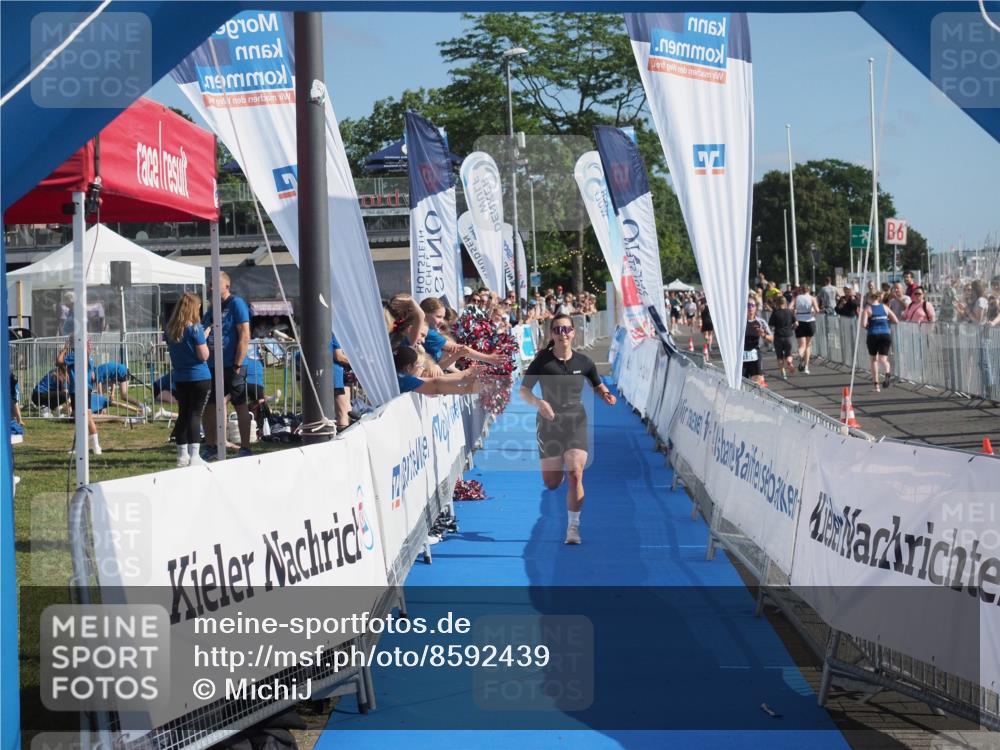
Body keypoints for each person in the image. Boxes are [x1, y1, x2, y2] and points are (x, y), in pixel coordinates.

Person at [518, 314, 617, 546]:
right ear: (552, 334)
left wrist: (605, 395)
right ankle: (558, 471)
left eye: (566, 329)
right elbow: (524, 391)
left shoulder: (584, 362)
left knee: (575, 474)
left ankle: (573, 527)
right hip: (548, 423)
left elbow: (597, 384)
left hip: (576, 422)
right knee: (552, 483)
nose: (563, 333)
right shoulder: (542, 360)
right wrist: (540, 403)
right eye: (558, 329)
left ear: (573, 333)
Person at [201, 271, 252, 460]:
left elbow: (245, 334)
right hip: (212, 365)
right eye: (209, 284)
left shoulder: (236, 304)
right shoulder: (211, 309)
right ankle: (211, 444)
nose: (210, 287)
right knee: (209, 405)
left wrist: (238, 363)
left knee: (239, 404)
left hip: (233, 364)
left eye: (214, 284)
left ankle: (245, 447)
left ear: (227, 286)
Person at [166, 292, 211, 467]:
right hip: (199, 376)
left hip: (180, 377)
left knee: (183, 414)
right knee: (195, 415)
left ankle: (182, 455)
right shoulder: (195, 328)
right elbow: (203, 355)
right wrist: (204, 340)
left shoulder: (171, 330)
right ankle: (195, 456)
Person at [56, 336, 101, 454]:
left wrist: (64, 349)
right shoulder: (88, 356)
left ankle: (91, 446)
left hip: (78, 390)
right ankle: (84, 446)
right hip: (84, 389)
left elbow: (59, 361)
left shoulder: (76, 355)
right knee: (84, 418)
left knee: (83, 418)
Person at [394, 346, 481, 396]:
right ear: (408, 367)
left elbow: (436, 381)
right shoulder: (404, 380)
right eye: (420, 366)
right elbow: (435, 385)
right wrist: (466, 389)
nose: (423, 368)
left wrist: (464, 375)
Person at [861, 290, 899, 391]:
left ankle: (876, 385)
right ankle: (887, 372)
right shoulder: (885, 307)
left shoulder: (867, 309)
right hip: (885, 334)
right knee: (883, 359)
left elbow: (863, 324)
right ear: (878, 298)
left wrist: (870, 324)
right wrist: (885, 321)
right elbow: (896, 320)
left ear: (870, 298)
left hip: (873, 334)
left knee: (874, 359)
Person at [742, 301, 773, 386]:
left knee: (758, 383)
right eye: (748, 305)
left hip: (755, 355)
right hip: (741, 356)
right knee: (741, 384)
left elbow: (771, 339)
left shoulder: (760, 322)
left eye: (752, 305)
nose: (750, 308)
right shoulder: (739, 322)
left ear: (756, 307)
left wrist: (763, 335)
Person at [767, 296, 797, 379]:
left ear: (777, 303)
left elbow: (770, 326)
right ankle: (790, 363)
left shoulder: (775, 312)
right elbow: (796, 323)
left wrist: (771, 331)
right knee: (789, 353)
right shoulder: (789, 312)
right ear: (785, 303)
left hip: (778, 337)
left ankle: (783, 373)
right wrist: (792, 329)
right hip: (788, 336)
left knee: (779, 356)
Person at [793, 286, 819, 373]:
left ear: (800, 290)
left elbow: (789, 307)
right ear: (809, 290)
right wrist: (814, 312)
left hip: (799, 321)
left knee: (802, 345)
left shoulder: (796, 298)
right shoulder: (812, 298)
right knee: (808, 345)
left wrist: (794, 314)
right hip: (810, 321)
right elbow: (817, 310)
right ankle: (806, 366)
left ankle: (800, 354)